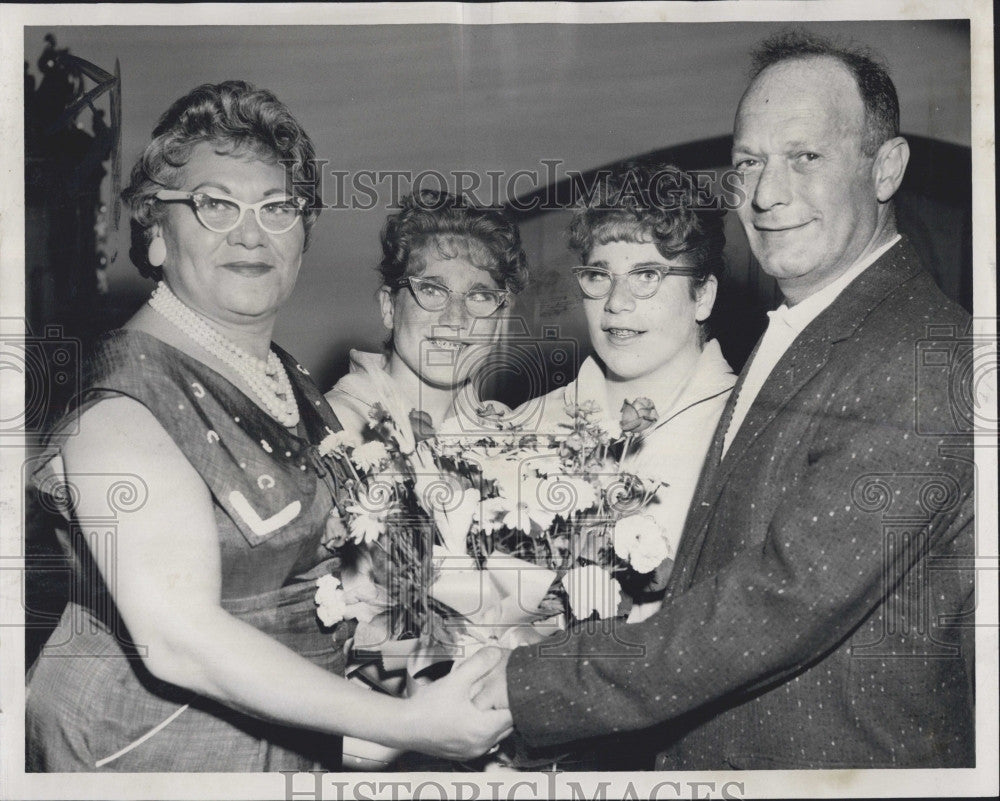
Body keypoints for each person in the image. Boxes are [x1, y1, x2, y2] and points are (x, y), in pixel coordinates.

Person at [474, 30, 975, 769]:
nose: (768, 195)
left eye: (806, 157)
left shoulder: (921, 354)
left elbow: (778, 602)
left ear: (886, 167)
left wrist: (522, 686)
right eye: (749, 164)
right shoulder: (806, 328)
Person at [25, 80, 511, 772]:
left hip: (281, 750)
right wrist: (407, 722)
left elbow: (337, 573)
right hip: (152, 756)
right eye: (214, 204)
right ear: (155, 235)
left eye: (278, 207)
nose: (251, 233)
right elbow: (179, 637)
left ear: (302, 236)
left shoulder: (287, 380)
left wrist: (439, 677)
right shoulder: (122, 402)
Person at [521, 162, 736, 622]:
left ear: (703, 295)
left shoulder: (749, 426)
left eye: (646, 275)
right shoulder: (527, 427)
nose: (616, 303)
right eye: (599, 276)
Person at [325, 189, 528, 440]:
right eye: (432, 290)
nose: (455, 319)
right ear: (389, 306)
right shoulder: (334, 426)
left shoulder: (510, 433)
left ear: (500, 322)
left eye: (479, 297)